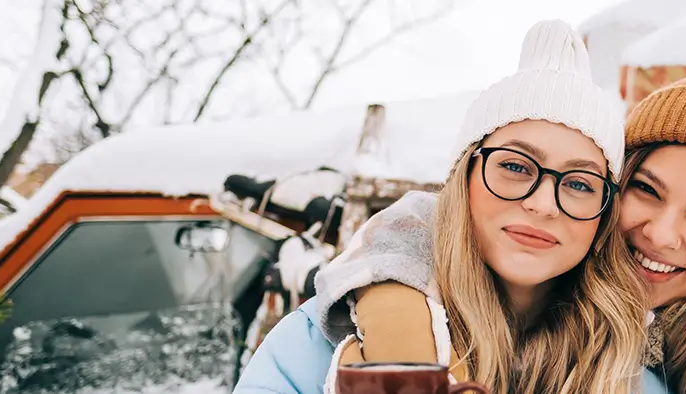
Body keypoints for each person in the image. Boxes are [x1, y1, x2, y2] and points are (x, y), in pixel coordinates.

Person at [316, 73, 686, 393]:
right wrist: (400, 333)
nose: (661, 232)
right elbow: (424, 226)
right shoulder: (534, 294)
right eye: (647, 191)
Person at [233, 19, 659, 394]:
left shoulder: (632, 371)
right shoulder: (311, 350)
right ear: (463, 179)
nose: (543, 203)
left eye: (581, 183)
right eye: (514, 165)